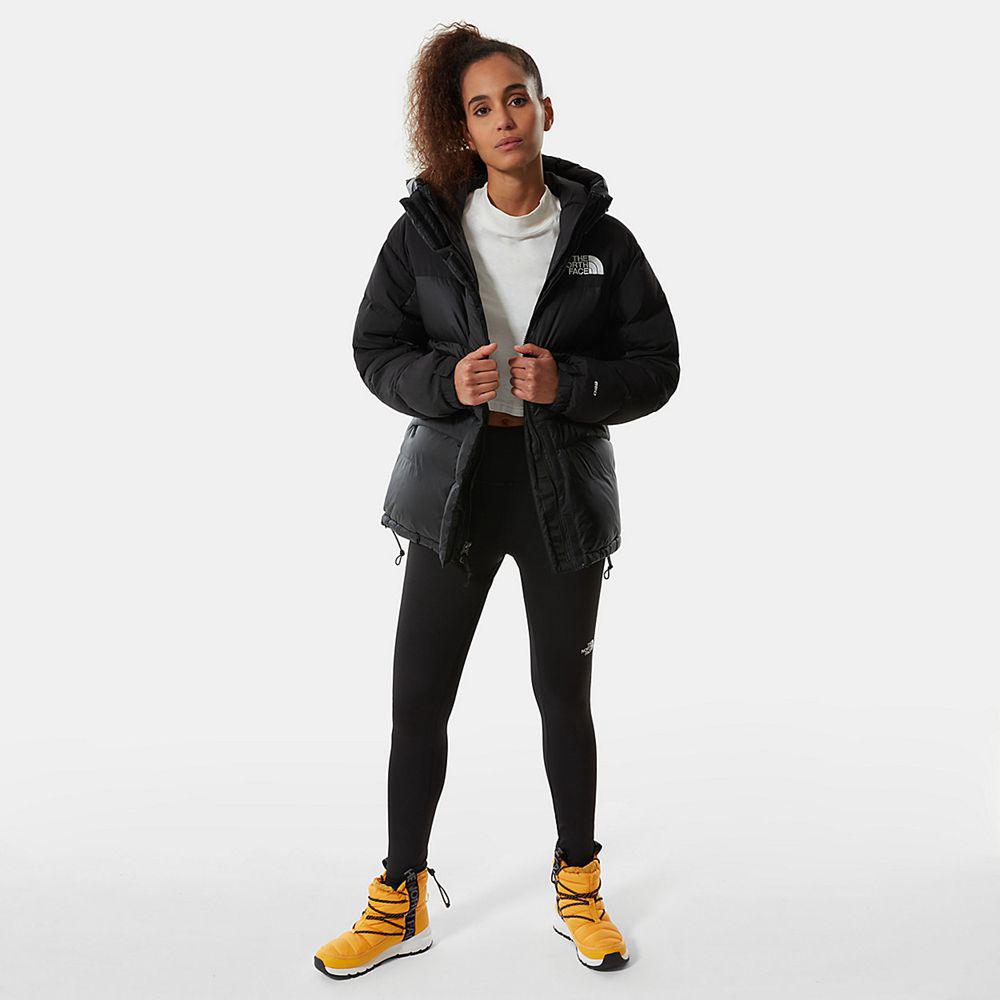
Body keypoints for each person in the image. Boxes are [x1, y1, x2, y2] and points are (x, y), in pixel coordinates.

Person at [314, 22, 679, 980]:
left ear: (545, 109)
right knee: (418, 700)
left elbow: (658, 365)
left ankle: (579, 885)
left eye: (517, 97)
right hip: (455, 493)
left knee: (564, 696)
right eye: (482, 108)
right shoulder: (425, 235)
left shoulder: (602, 241)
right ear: (465, 132)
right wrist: (446, 383)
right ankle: (399, 895)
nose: (504, 117)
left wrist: (571, 384)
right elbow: (374, 349)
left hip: (560, 494)